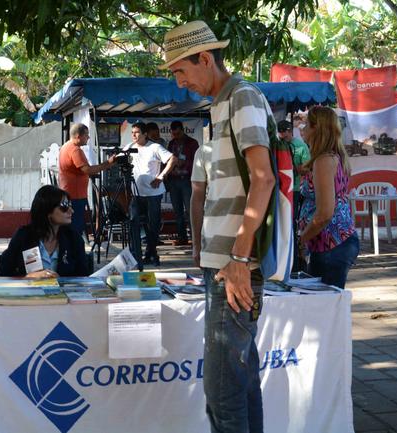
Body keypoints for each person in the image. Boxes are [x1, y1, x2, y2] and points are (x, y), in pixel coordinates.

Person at [162, 21, 275, 433]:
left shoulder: (241, 97)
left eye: (181, 72)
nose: (179, 84)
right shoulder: (221, 105)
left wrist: (240, 258)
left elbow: (263, 178)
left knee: (224, 392)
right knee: (239, 386)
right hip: (225, 263)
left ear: (205, 58)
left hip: (234, 266)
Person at [298, 106, 359, 289]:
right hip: (330, 243)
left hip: (331, 244)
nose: (303, 129)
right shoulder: (332, 156)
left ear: (317, 128)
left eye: (306, 124)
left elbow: (324, 213)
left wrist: (302, 239)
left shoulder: (324, 160)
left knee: (324, 307)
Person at [0, 185, 88, 278]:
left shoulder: (73, 238)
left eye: (70, 205)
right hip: (30, 292)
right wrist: (28, 277)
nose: (71, 211)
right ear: (47, 209)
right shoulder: (24, 236)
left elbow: (83, 278)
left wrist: (61, 281)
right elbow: (3, 275)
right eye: (64, 206)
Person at [124, 122, 176, 269]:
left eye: (137, 132)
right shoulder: (129, 147)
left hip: (153, 194)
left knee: (152, 226)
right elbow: (117, 158)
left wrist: (161, 176)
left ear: (145, 134)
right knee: (133, 222)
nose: (134, 135)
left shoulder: (154, 147)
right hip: (136, 193)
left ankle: (150, 253)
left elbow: (173, 159)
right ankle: (136, 255)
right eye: (132, 132)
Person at [58, 123, 116, 236]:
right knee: (75, 227)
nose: (88, 138)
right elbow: (87, 170)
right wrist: (108, 163)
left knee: (71, 227)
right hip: (75, 196)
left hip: (69, 193)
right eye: (86, 135)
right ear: (78, 136)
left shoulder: (66, 146)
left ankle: (72, 250)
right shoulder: (75, 150)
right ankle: (74, 252)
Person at [278, 119, 310, 271]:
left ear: (290, 131)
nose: (283, 134)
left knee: (291, 223)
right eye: (281, 132)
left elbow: (307, 168)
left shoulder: (300, 146)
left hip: (295, 189)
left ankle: (295, 261)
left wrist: (292, 168)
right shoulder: (278, 145)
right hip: (279, 190)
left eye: (285, 132)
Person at [166, 120, 199, 245]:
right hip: (174, 181)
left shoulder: (192, 143)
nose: (176, 137)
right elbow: (167, 160)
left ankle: (195, 239)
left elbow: (196, 161)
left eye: (178, 134)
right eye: (174, 134)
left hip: (187, 180)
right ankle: (182, 238)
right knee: (177, 211)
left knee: (190, 210)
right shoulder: (171, 143)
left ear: (183, 130)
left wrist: (183, 162)